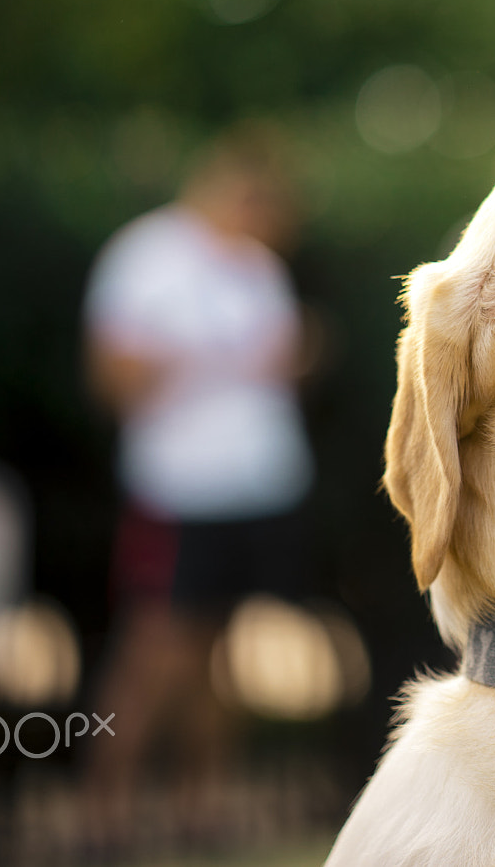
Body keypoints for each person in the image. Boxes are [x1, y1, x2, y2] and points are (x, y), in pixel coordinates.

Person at [81, 122, 315, 848]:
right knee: (154, 654)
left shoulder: (257, 269)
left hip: (253, 487)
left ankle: (199, 810)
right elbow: (112, 376)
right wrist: (193, 361)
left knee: (222, 652)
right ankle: (104, 813)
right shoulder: (147, 257)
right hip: (178, 489)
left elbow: (284, 359)